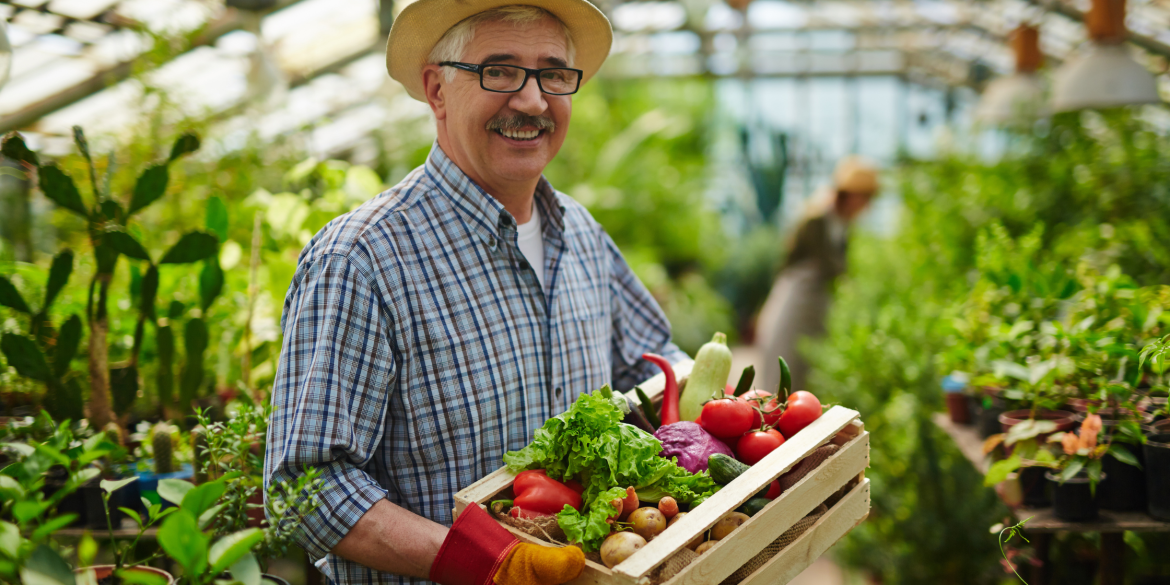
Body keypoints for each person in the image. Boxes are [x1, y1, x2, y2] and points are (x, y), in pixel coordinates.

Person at [263, 2, 688, 585]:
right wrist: (487, 562)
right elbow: (305, 487)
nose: (532, 101)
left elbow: (651, 363)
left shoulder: (581, 233)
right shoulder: (362, 261)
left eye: (553, 73)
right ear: (437, 89)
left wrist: (745, 426)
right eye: (499, 70)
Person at [756, 155, 879, 396]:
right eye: (864, 197)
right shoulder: (817, 218)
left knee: (805, 367)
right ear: (850, 194)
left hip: (817, 299)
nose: (866, 205)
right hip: (797, 295)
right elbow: (818, 263)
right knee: (784, 359)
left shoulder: (843, 222)